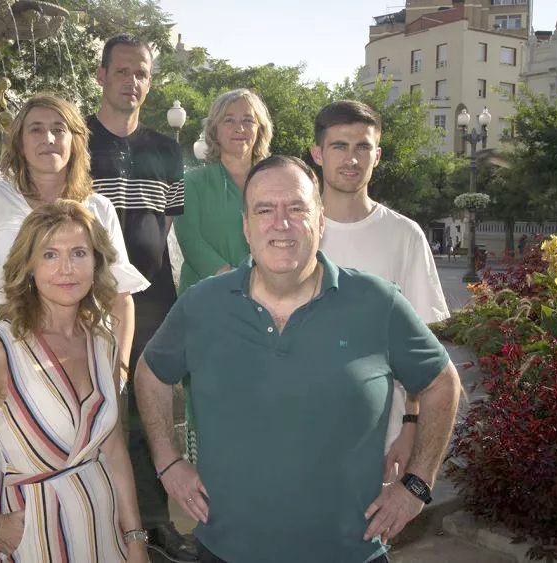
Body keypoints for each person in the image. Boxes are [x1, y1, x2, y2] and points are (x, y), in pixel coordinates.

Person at [135, 156, 462, 563]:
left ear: (320, 222)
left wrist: (417, 484)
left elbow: (441, 382)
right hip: (225, 551)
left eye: (296, 208)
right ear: (246, 227)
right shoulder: (202, 304)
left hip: (349, 553)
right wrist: (168, 462)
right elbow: (150, 373)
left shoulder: (378, 303)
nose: (281, 223)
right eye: (264, 210)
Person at [0, 93, 149, 559]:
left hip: (84, 364)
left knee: (99, 469)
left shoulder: (99, 208)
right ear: (18, 140)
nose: (48, 138)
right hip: (11, 378)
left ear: (76, 140)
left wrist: (119, 372)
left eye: (59, 129)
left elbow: (121, 300)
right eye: (35, 128)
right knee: (5, 486)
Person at [87, 34, 194, 561]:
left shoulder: (167, 149)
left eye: (142, 74)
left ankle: (155, 523)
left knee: (149, 412)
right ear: (102, 75)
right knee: (90, 407)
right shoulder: (75, 139)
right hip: (83, 298)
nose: (133, 82)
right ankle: (97, 514)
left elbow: (165, 223)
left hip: (153, 302)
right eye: (123, 71)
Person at [310, 100, 450, 483]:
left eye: (363, 147)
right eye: (339, 146)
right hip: (298, 426)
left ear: (378, 154)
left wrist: (410, 425)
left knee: (372, 537)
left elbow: (427, 343)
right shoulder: (291, 231)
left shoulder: (404, 235)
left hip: (379, 436)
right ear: (317, 153)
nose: (351, 159)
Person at [174, 88, 273, 293]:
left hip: (268, 297)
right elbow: (190, 241)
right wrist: (237, 283)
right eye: (229, 121)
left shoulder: (275, 183)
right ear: (214, 130)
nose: (239, 128)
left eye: (248, 120)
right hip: (205, 298)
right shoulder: (191, 183)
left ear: (260, 129)